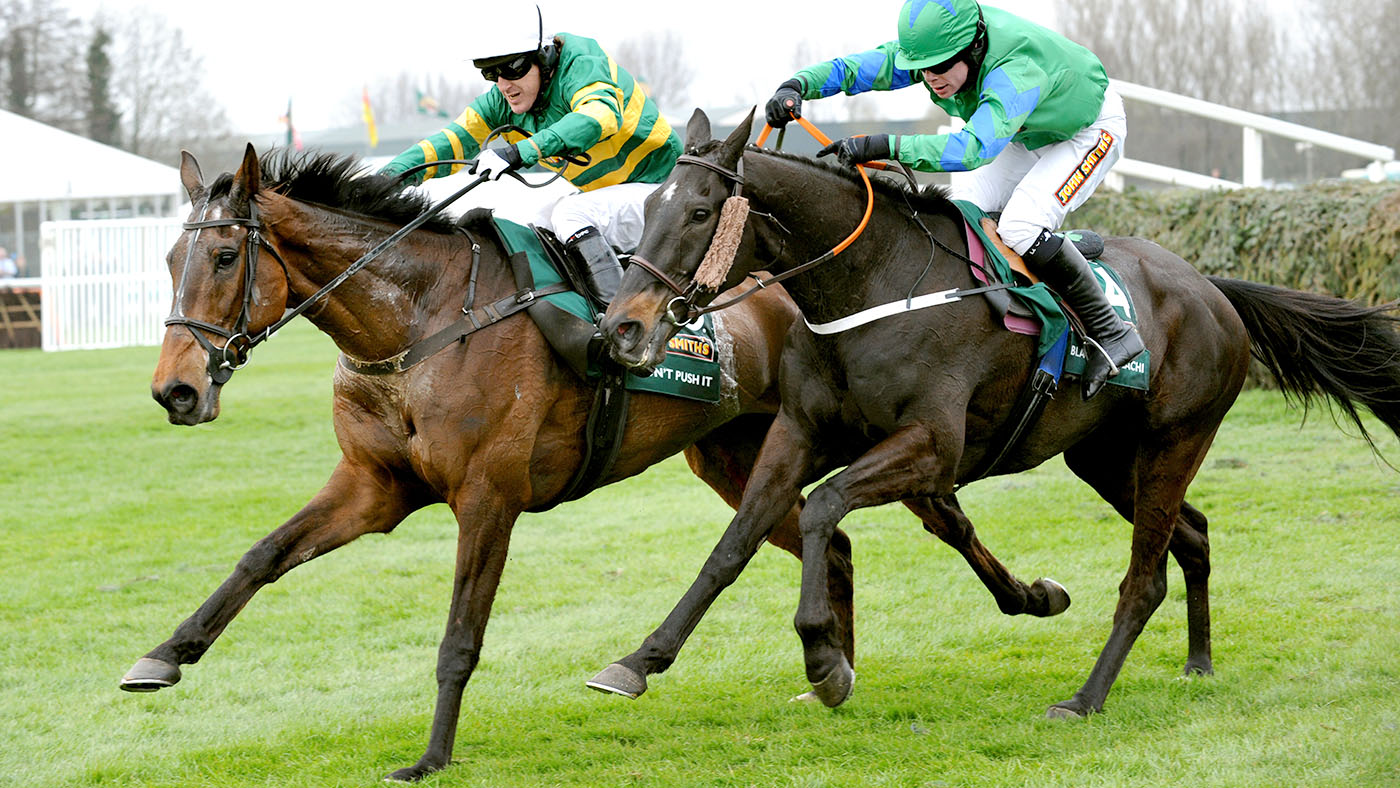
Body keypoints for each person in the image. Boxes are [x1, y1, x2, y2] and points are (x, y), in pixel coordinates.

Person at [765, 0, 1143, 399]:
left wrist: (885, 144)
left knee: (1021, 225)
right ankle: (1046, 254)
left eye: (941, 67)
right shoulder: (935, 52)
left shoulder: (1014, 70)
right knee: (961, 212)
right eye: (924, 68)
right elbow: (857, 68)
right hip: (1026, 130)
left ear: (974, 48)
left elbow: (971, 150)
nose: (931, 78)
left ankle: (1111, 331)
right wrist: (798, 85)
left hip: (1087, 130)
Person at [380, 4, 681, 304]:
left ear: (545, 57)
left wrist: (521, 151)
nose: (504, 85)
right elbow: (448, 142)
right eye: (491, 73)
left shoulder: (582, 65)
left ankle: (624, 323)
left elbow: (598, 116)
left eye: (512, 68)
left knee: (570, 214)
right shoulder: (502, 102)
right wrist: (384, 181)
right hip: (624, 197)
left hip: (670, 192)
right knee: (531, 228)